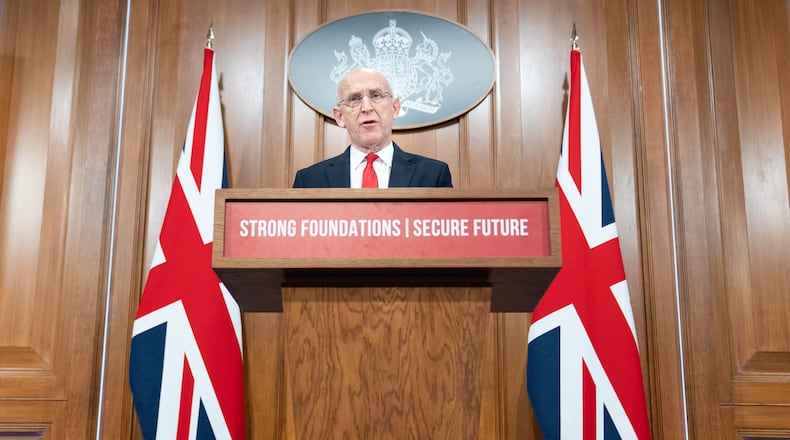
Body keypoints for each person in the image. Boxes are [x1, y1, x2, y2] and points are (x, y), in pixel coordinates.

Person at [293, 68, 453, 188]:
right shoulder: (309, 181)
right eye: (354, 99)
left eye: (376, 95)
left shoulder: (433, 176)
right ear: (340, 117)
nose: (366, 107)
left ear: (395, 108)